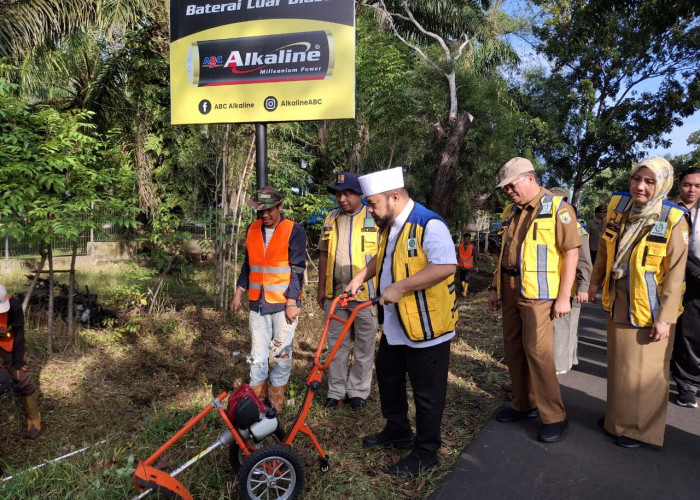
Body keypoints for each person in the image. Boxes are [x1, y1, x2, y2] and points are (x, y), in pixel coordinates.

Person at [345, 166, 457, 477]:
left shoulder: (428, 224)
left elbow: (446, 266)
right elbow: (381, 259)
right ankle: (397, 429)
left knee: (427, 392)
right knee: (389, 376)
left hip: (428, 328)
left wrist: (401, 287)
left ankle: (426, 452)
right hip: (397, 325)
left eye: (373, 203)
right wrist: (359, 278)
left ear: (395, 197)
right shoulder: (390, 225)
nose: (370, 209)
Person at [588, 157, 688, 448]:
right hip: (618, 299)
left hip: (650, 309)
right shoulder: (619, 206)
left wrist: (665, 319)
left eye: (649, 181)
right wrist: (594, 283)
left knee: (645, 374)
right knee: (621, 368)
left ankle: (640, 430)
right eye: (636, 179)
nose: (639, 186)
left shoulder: (672, 218)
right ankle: (617, 420)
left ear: (663, 185)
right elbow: (606, 249)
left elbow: (676, 274)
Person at [488, 157, 581, 443]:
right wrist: (494, 286)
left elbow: (571, 253)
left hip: (540, 294)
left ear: (530, 178)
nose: (508, 192)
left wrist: (564, 296)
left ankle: (554, 416)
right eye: (504, 188)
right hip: (510, 287)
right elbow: (504, 251)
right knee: (513, 349)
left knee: (539, 354)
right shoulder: (510, 212)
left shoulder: (558, 209)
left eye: (511, 185)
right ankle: (522, 403)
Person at [230, 187, 306, 412]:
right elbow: (248, 264)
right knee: (258, 356)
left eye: (269, 210)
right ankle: (256, 405)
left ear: (280, 207)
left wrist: (292, 302)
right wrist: (239, 292)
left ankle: (275, 402)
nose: (264, 215)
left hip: (284, 305)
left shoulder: (294, 230)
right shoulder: (252, 229)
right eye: (260, 211)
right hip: (258, 305)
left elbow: (297, 270)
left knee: (282, 355)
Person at [317, 172, 379, 410]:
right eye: (338, 194)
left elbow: (382, 257)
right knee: (336, 344)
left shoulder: (373, 217)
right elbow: (323, 253)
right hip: (336, 295)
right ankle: (336, 390)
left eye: (348, 193)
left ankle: (358, 392)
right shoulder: (330, 218)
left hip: (365, 296)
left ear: (359, 195)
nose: (342, 199)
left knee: (364, 344)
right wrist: (321, 287)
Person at [549, 187, 593, 374]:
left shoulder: (575, 226)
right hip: (558, 285)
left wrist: (583, 286)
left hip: (570, 287)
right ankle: (568, 359)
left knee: (563, 327)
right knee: (567, 326)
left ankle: (558, 366)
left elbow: (584, 260)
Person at [670, 167, 700, 408]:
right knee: (684, 334)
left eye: (697, 186)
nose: (692, 190)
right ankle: (686, 385)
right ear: (679, 185)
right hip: (676, 279)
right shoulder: (668, 209)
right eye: (687, 185)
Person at [0, 284, 41, 438]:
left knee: (20, 375)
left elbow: (19, 336)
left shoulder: (14, 306)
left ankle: (34, 416)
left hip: (10, 345)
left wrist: (19, 362)